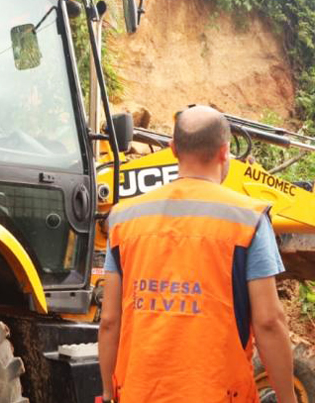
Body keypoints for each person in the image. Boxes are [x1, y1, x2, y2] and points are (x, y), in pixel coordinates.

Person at [97, 105, 298, 403]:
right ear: (224, 151)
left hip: (139, 394)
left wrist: (107, 392)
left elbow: (110, 320)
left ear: (173, 149)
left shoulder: (124, 218)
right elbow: (269, 322)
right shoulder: (248, 219)